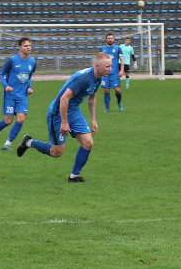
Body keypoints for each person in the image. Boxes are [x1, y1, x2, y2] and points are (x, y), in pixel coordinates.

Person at [16, 53, 113, 183]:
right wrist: (64, 122)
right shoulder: (83, 79)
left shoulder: (98, 78)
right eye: (107, 66)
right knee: (57, 152)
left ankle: (73, 176)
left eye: (111, 66)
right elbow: (64, 98)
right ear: (97, 66)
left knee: (88, 143)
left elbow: (92, 98)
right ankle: (28, 142)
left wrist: (93, 119)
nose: (110, 69)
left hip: (74, 111)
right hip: (58, 112)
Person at [0, 37, 36, 151]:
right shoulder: (12, 60)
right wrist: (6, 86)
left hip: (22, 96)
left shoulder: (32, 62)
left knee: (21, 119)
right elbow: (1, 74)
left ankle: (8, 143)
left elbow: (28, 77)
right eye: (26, 46)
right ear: (20, 47)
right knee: (8, 121)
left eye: (30, 45)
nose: (28, 47)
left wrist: (29, 87)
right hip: (10, 95)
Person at [99, 32, 124, 112]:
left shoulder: (117, 48)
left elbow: (122, 59)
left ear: (114, 39)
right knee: (106, 90)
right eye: (109, 38)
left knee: (117, 90)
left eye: (111, 38)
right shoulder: (102, 48)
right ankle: (107, 108)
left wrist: (122, 70)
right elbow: (99, 60)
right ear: (106, 39)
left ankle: (119, 102)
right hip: (104, 73)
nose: (110, 40)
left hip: (115, 73)